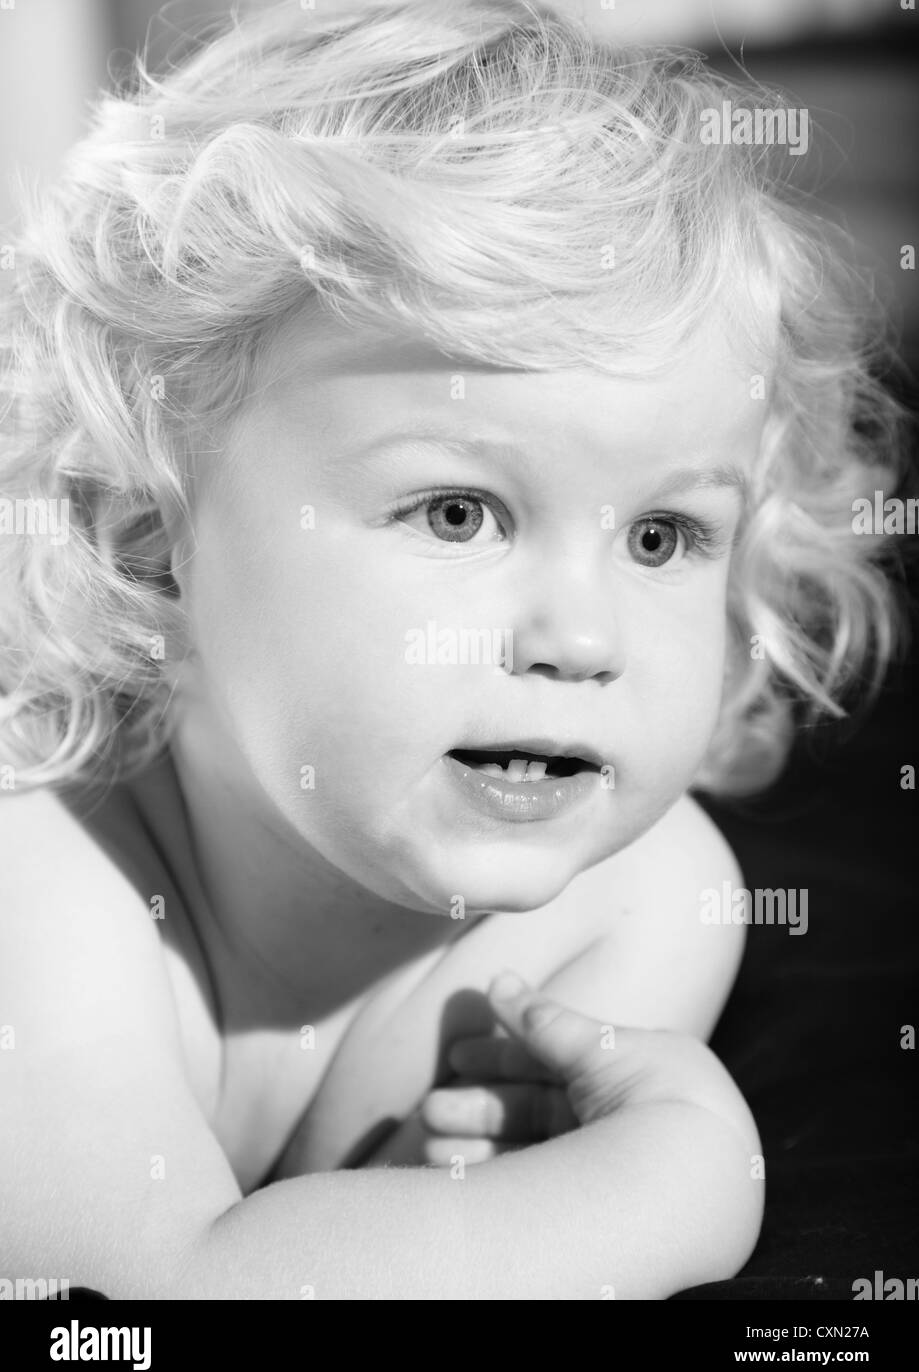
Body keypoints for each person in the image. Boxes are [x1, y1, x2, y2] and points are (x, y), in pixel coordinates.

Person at [0, 0, 904, 1299]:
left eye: (661, 536)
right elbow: (139, 1302)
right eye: (459, 511)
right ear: (153, 540)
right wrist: (671, 1180)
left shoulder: (646, 891)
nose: (583, 639)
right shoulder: (40, 857)